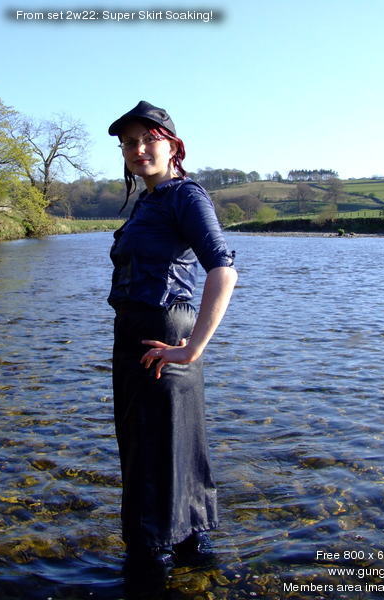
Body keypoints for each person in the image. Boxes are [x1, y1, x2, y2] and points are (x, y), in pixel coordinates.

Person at [107, 101, 238, 571]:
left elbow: (223, 270)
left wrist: (195, 347)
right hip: (134, 333)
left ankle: (156, 554)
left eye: (149, 139)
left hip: (165, 332)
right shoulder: (149, 200)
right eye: (130, 143)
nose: (138, 149)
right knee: (146, 443)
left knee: (161, 444)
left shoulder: (186, 195)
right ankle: (185, 549)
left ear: (173, 146)